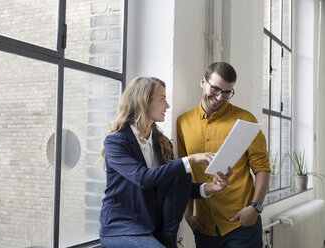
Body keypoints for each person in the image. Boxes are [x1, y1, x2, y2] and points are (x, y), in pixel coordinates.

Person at [99, 77, 233, 248]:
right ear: (143, 102)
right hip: (121, 228)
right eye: (162, 99)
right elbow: (143, 178)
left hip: (152, 226)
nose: (167, 106)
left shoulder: (161, 142)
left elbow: (174, 185)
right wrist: (190, 159)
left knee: (181, 173)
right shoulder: (116, 142)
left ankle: (168, 238)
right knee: (181, 166)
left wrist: (209, 188)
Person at [177, 62, 271, 248]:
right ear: (203, 82)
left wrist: (255, 208)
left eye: (227, 92)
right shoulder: (183, 122)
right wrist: (187, 214)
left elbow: (262, 168)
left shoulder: (245, 119)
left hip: (241, 223)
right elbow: (184, 172)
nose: (220, 97)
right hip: (205, 226)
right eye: (215, 89)